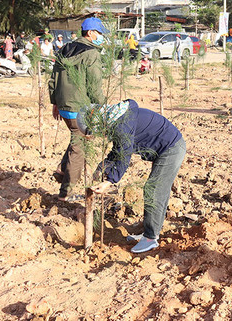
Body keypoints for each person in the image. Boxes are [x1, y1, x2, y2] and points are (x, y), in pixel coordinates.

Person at [82, 99, 186, 253]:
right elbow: (117, 151)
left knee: (154, 189)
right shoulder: (117, 118)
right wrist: (102, 167)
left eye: (94, 131)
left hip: (171, 148)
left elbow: (124, 155)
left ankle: (151, 238)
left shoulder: (121, 125)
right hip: (165, 148)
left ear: (98, 123)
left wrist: (109, 181)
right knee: (158, 190)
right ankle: (150, 232)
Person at [48, 17, 108, 199]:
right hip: (79, 106)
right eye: (99, 33)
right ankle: (67, 192)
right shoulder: (92, 54)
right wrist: (104, 109)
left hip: (64, 104)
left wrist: (55, 102)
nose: (101, 37)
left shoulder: (66, 48)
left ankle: (61, 170)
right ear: (90, 33)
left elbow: (53, 78)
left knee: (76, 137)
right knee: (79, 147)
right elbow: (94, 86)